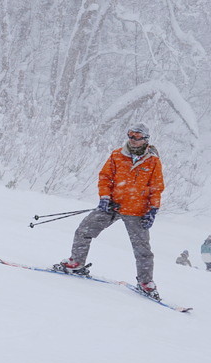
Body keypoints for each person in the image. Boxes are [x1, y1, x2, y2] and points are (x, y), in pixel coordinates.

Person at [54, 123, 164, 298]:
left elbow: (156, 187)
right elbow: (105, 177)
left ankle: (146, 283)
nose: (133, 140)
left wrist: (153, 209)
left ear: (145, 139)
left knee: (142, 249)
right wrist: (104, 197)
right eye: (131, 135)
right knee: (84, 230)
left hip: (137, 211)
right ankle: (76, 263)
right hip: (112, 205)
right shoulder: (117, 155)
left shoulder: (153, 161)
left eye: (137, 137)